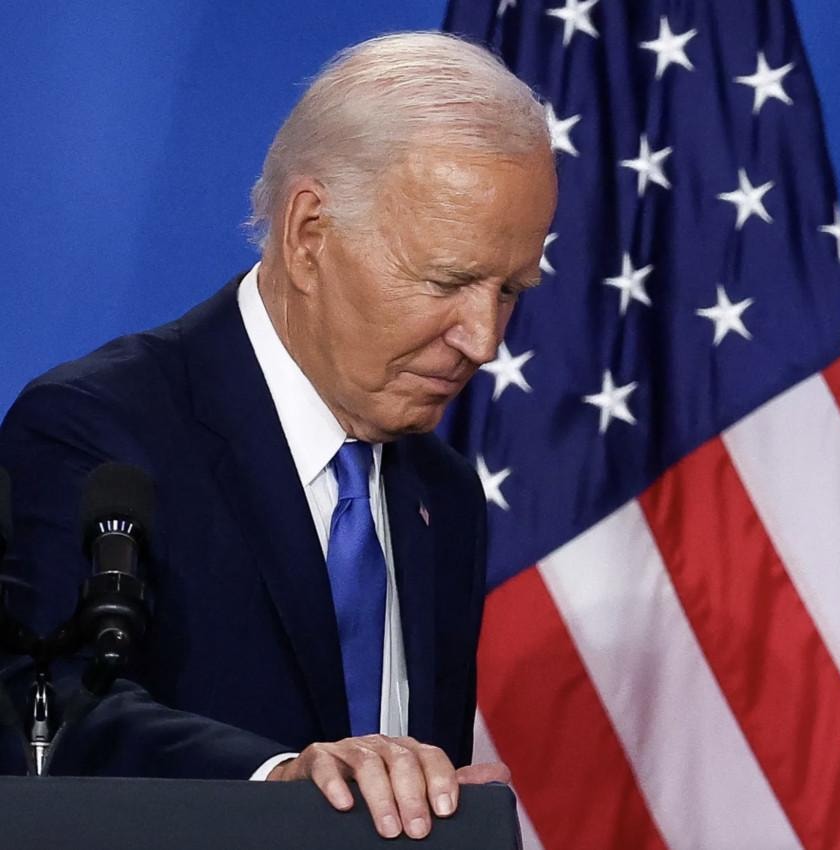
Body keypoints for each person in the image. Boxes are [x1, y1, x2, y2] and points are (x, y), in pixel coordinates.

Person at [0, 31, 557, 840]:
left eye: (510, 290)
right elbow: (41, 711)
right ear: (308, 235)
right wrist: (278, 784)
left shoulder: (442, 493)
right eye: (448, 280)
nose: (484, 338)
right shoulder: (97, 435)